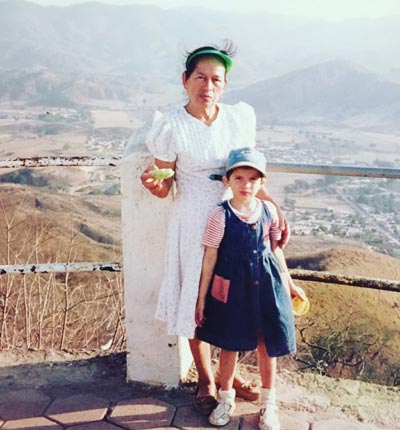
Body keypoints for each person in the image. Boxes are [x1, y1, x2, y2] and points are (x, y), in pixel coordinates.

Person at [129, 42, 289, 415]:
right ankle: (206, 378)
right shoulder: (170, 126)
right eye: (200, 76)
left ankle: (229, 376)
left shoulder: (238, 119)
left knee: (236, 298)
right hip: (193, 221)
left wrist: (274, 210)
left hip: (237, 219)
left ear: (225, 84)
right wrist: (154, 185)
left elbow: (248, 174)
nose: (208, 85)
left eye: (216, 78)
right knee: (196, 302)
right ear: (185, 80)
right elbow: (165, 182)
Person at [195, 147, 306, 429]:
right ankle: (226, 398)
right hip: (232, 287)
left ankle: (268, 404)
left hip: (266, 284)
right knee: (229, 344)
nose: (246, 185)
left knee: (266, 343)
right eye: (239, 178)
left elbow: (275, 249)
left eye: (253, 179)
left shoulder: (267, 211)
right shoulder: (219, 216)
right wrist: (201, 300)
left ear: (262, 183)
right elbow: (210, 258)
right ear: (226, 181)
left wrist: (289, 282)